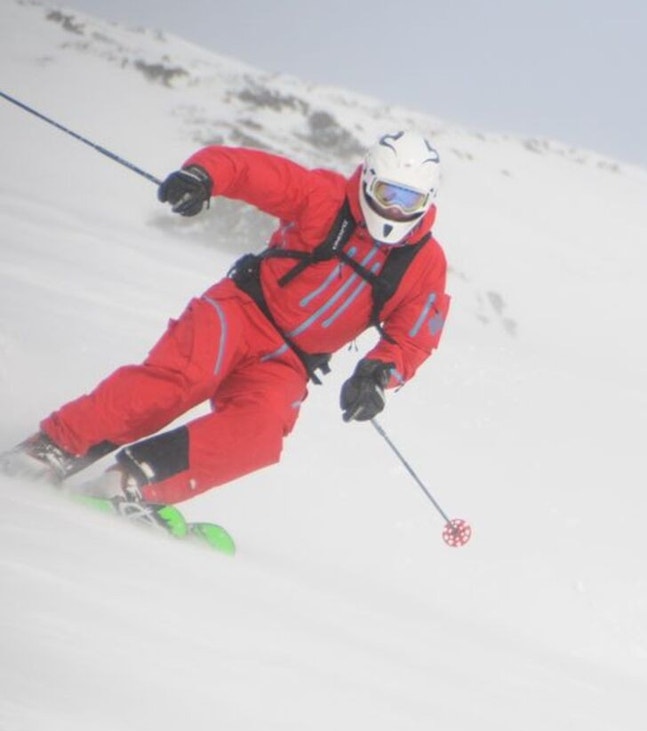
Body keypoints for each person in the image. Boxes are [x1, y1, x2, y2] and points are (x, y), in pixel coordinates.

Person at [0, 131, 452, 519]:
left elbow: (413, 336)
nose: (394, 210)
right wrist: (202, 177)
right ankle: (54, 447)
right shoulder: (325, 197)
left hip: (289, 362)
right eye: (388, 194)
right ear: (369, 180)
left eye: (408, 200)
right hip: (241, 311)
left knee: (261, 432)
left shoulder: (424, 264)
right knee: (181, 380)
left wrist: (377, 375)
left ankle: (134, 481)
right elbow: (248, 169)